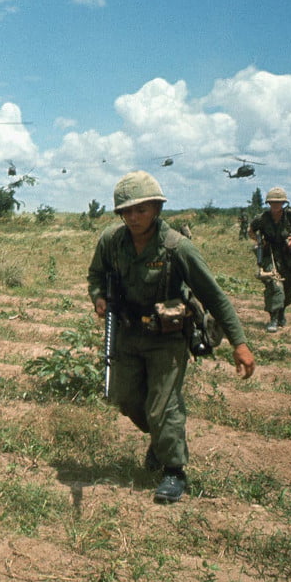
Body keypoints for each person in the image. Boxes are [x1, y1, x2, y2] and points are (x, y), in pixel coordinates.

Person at [87, 171, 255, 504]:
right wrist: (98, 297)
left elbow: (215, 296)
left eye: (141, 209)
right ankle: (162, 439)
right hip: (127, 334)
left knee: (162, 407)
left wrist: (240, 344)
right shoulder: (111, 241)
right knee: (126, 400)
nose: (134, 217)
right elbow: (96, 275)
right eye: (127, 211)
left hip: (167, 338)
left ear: (156, 208)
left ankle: (174, 470)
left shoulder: (177, 247)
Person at [248, 187, 291, 333]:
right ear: (268, 203)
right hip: (269, 255)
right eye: (273, 202)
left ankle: (281, 312)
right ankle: (273, 319)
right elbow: (250, 230)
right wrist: (259, 241)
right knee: (274, 286)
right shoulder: (262, 218)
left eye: (279, 202)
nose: (276, 205)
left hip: (288, 256)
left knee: (289, 286)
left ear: (283, 203)